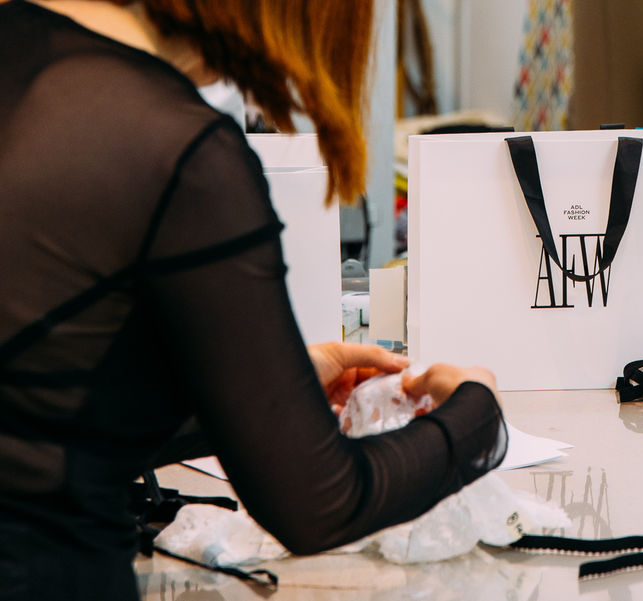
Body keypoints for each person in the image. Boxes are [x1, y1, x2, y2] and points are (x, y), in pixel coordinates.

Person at [0, 1, 508, 600]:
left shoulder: (24, 58)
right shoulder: (178, 149)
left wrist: (251, 399)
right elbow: (318, 502)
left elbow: (41, 404)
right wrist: (479, 415)